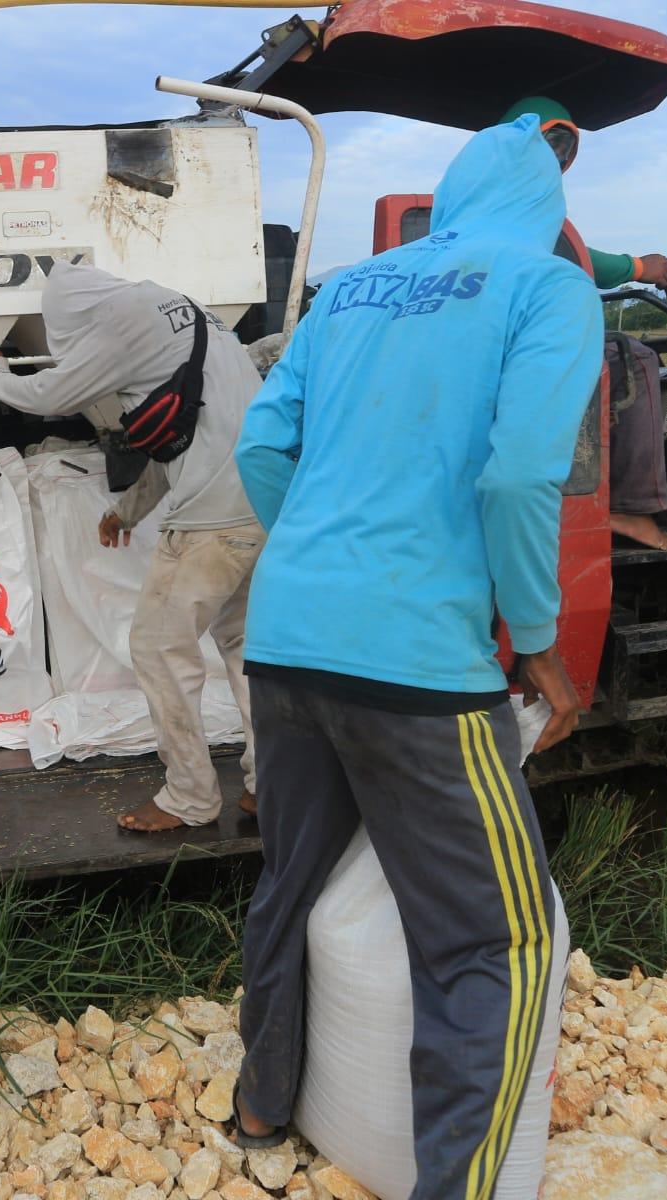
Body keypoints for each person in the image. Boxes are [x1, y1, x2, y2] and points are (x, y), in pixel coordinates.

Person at [229, 115, 603, 1200]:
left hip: (287, 640)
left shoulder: (349, 290)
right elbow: (519, 477)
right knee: (498, 944)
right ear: (545, 205)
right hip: (420, 666)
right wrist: (537, 642)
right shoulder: (548, 286)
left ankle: (260, 1105)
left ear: (453, 193)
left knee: (291, 881)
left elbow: (261, 445)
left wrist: (325, 559)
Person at [0, 262, 263, 833]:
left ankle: (189, 798)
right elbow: (188, 434)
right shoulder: (189, 312)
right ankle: (272, 788)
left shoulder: (122, 322)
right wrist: (128, 511)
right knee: (248, 649)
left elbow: (50, 394)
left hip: (211, 523)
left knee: (158, 649)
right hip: (262, 508)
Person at [504, 94, 667, 549]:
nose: (556, 161)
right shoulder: (518, 204)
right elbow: (566, 252)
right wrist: (638, 267)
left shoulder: (466, 197)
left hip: (488, 340)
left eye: (563, 152)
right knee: (634, 358)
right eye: (552, 146)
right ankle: (632, 506)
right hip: (519, 345)